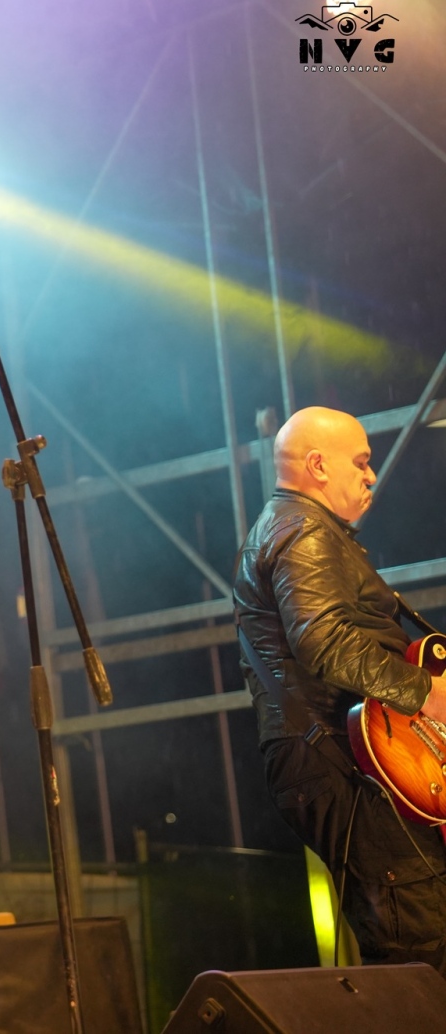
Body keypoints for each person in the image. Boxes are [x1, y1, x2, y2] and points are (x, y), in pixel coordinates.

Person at [235, 405, 446, 972]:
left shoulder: (301, 529)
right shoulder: (303, 531)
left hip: (339, 755)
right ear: (318, 465)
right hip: (337, 756)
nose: (371, 474)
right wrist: (427, 693)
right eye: (361, 461)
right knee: (421, 946)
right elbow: (323, 640)